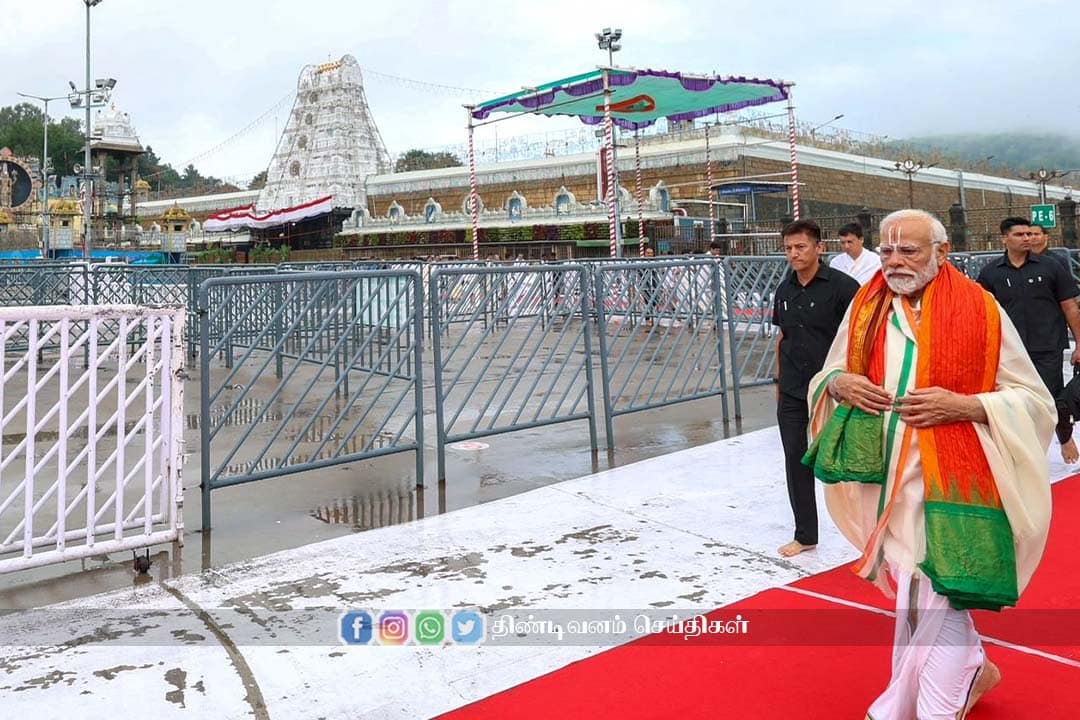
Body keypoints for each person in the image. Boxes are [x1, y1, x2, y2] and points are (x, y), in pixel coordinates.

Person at [806, 209, 1054, 719]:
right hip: (883, 473)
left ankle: (928, 705)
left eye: (909, 250)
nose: (894, 260)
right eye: (888, 249)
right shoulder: (867, 305)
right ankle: (972, 668)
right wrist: (837, 384)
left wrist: (965, 406)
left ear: (941, 254)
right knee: (923, 583)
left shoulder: (980, 308)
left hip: (955, 478)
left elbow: (1034, 400)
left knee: (934, 584)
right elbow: (829, 372)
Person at [772, 219, 859, 557]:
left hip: (835, 388)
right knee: (795, 457)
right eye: (788, 249)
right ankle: (805, 534)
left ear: (819, 248)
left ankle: (871, 531)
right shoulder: (784, 291)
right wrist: (779, 384)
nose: (793, 254)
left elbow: (859, 340)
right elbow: (783, 339)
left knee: (854, 458)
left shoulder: (844, 288)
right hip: (794, 389)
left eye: (800, 247)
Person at [976, 217, 1080, 464]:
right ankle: (1025, 453)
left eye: (1029, 234)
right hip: (1009, 350)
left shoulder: (1051, 267)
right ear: (1005, 238)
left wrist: (1079, 343)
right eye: (1020, 235)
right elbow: (981, 311)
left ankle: (1064, 438)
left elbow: (1070, 308)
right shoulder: (991, 273)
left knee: (1052, 399)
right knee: (1013, 401)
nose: (1027, 238)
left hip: (1048, 347)